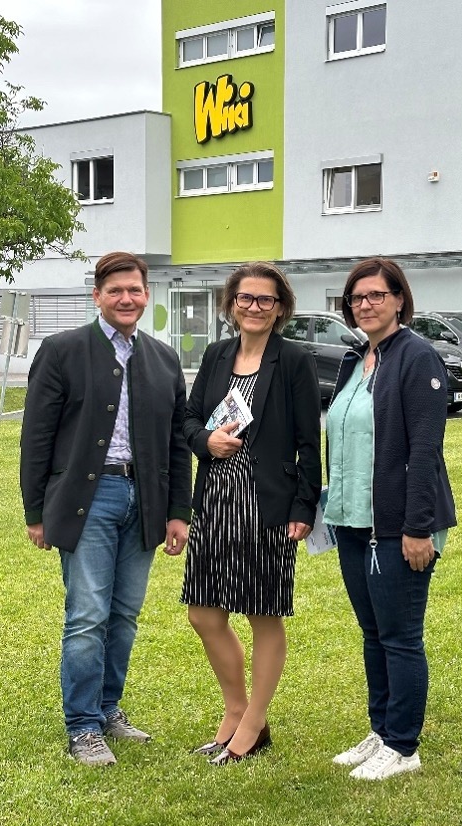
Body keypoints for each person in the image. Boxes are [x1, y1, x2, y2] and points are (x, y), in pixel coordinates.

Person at [20, 251, 192, 767]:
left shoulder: (162, 359)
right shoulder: (62, 350)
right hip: (87, 502)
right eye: (115, 290)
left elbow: (176, 444)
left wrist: (178, 512)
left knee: (123, 615)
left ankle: (107, 708)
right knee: (88, 614)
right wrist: (36, 512)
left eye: (135, 290)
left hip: (146, 504)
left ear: (146, 295)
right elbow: (37, 437)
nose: (126, 299)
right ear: (97, 295)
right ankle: (82, 727)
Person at [181, 261, 321, 765]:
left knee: (263, 613)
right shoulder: (217, 356)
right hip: (216, 497)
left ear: (280, 307)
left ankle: (254, 722)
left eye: (266, 300)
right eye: (246, 298)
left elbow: (309, 439)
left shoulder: (294, 361)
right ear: (231, 304)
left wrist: (304, 505)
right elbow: (190, 419)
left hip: (268, 504)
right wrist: (206, 441)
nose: (255, 307)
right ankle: (235, 708)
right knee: (203, 611)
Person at [325, 257, 456, 780]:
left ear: (399, 298)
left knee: (400, 634)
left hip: (400, 524)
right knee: (372, 630)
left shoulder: (416, 355)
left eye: (377, 295)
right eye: (357, 297)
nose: (366, 304)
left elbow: (426, 449)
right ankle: (381, 731)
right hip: (355, 518)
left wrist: (418, 527)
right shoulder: (356, 359)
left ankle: (403, 746)